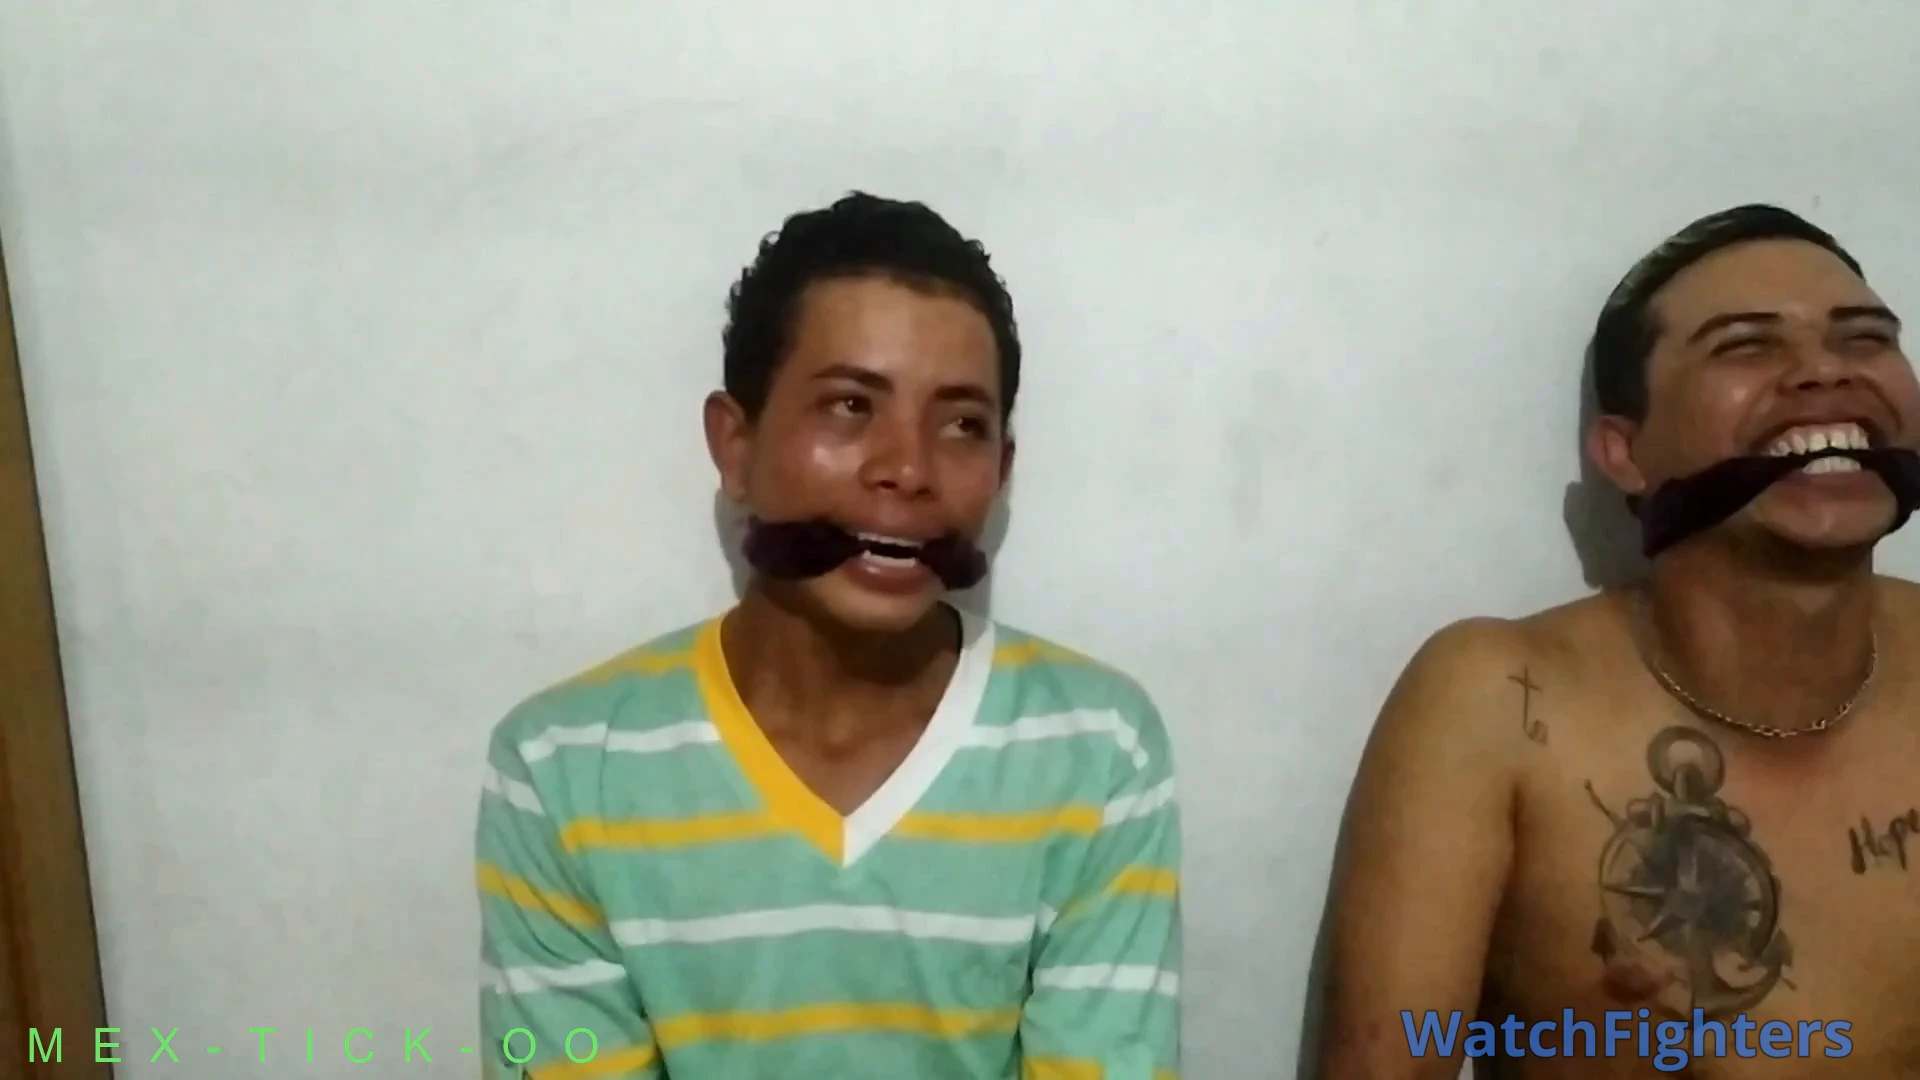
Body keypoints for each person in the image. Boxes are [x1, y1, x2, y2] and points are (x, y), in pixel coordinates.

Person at [473, 192, 1182, 1079]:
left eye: (962, 425)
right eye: (851, 406)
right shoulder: (565, 770)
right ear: (735, 446)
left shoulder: (1095, 752)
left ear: (1002, 470)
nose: (908, 469)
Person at [1316, 204, 1920, 1078]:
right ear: (1624, 453)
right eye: (1746, 346)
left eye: (1865, 339)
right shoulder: (1499, 706)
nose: (1826, 370)